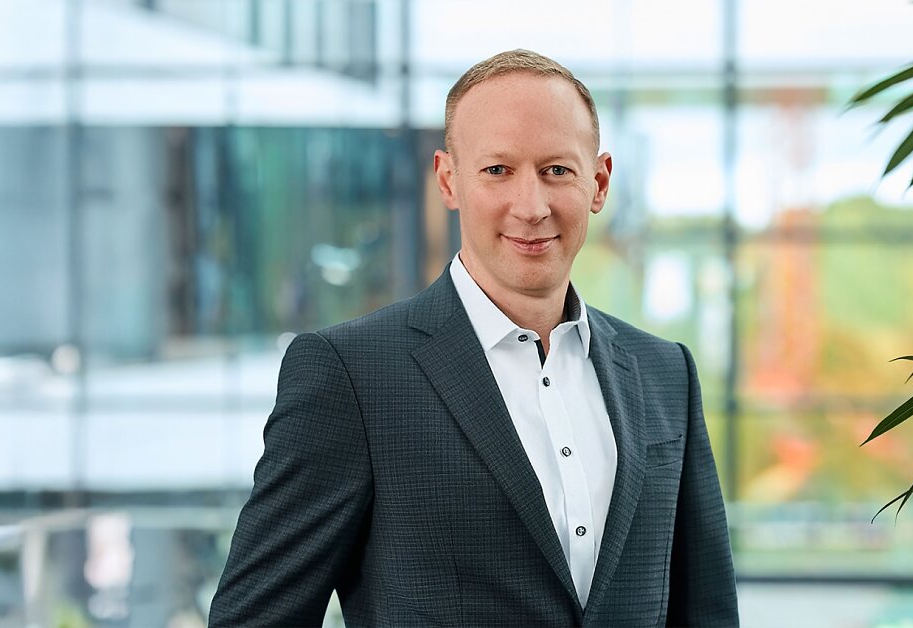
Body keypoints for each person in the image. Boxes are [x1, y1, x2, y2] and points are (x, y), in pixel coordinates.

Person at [207, 49, 738, 626]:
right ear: (448, 179)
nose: (531, 206)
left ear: (599, 182)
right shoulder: (352, 375)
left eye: (557, 170)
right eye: (497, 170)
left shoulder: (666, 373)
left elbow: (707, 611)